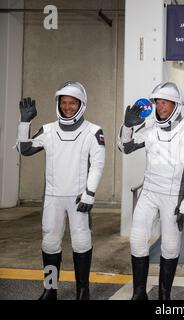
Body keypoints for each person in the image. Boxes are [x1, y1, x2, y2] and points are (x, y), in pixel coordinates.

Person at [16, 82, 106, 300]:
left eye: (72, 103)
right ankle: (50, 289)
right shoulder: (48, 130)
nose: (67, 107)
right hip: (53, 198)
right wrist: (24, 122)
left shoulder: (94, 131)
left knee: (81, 242)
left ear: (81, 105)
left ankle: (82, 291)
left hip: (79, 198)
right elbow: (24, 149)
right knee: (49, 242)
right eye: (64, 103)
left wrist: (89, 193)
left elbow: (98, 165)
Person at [118, 82, 184, 300]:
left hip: (174, 198)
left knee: (170, 246)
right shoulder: (149, 131)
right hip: (148, 194)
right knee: (137, 240)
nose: (161, 107)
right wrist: (127, 126)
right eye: (158, 102)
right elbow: (125, 147)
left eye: (166, 102)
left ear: (176, 105)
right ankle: (139, 292)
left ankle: (164, 295)